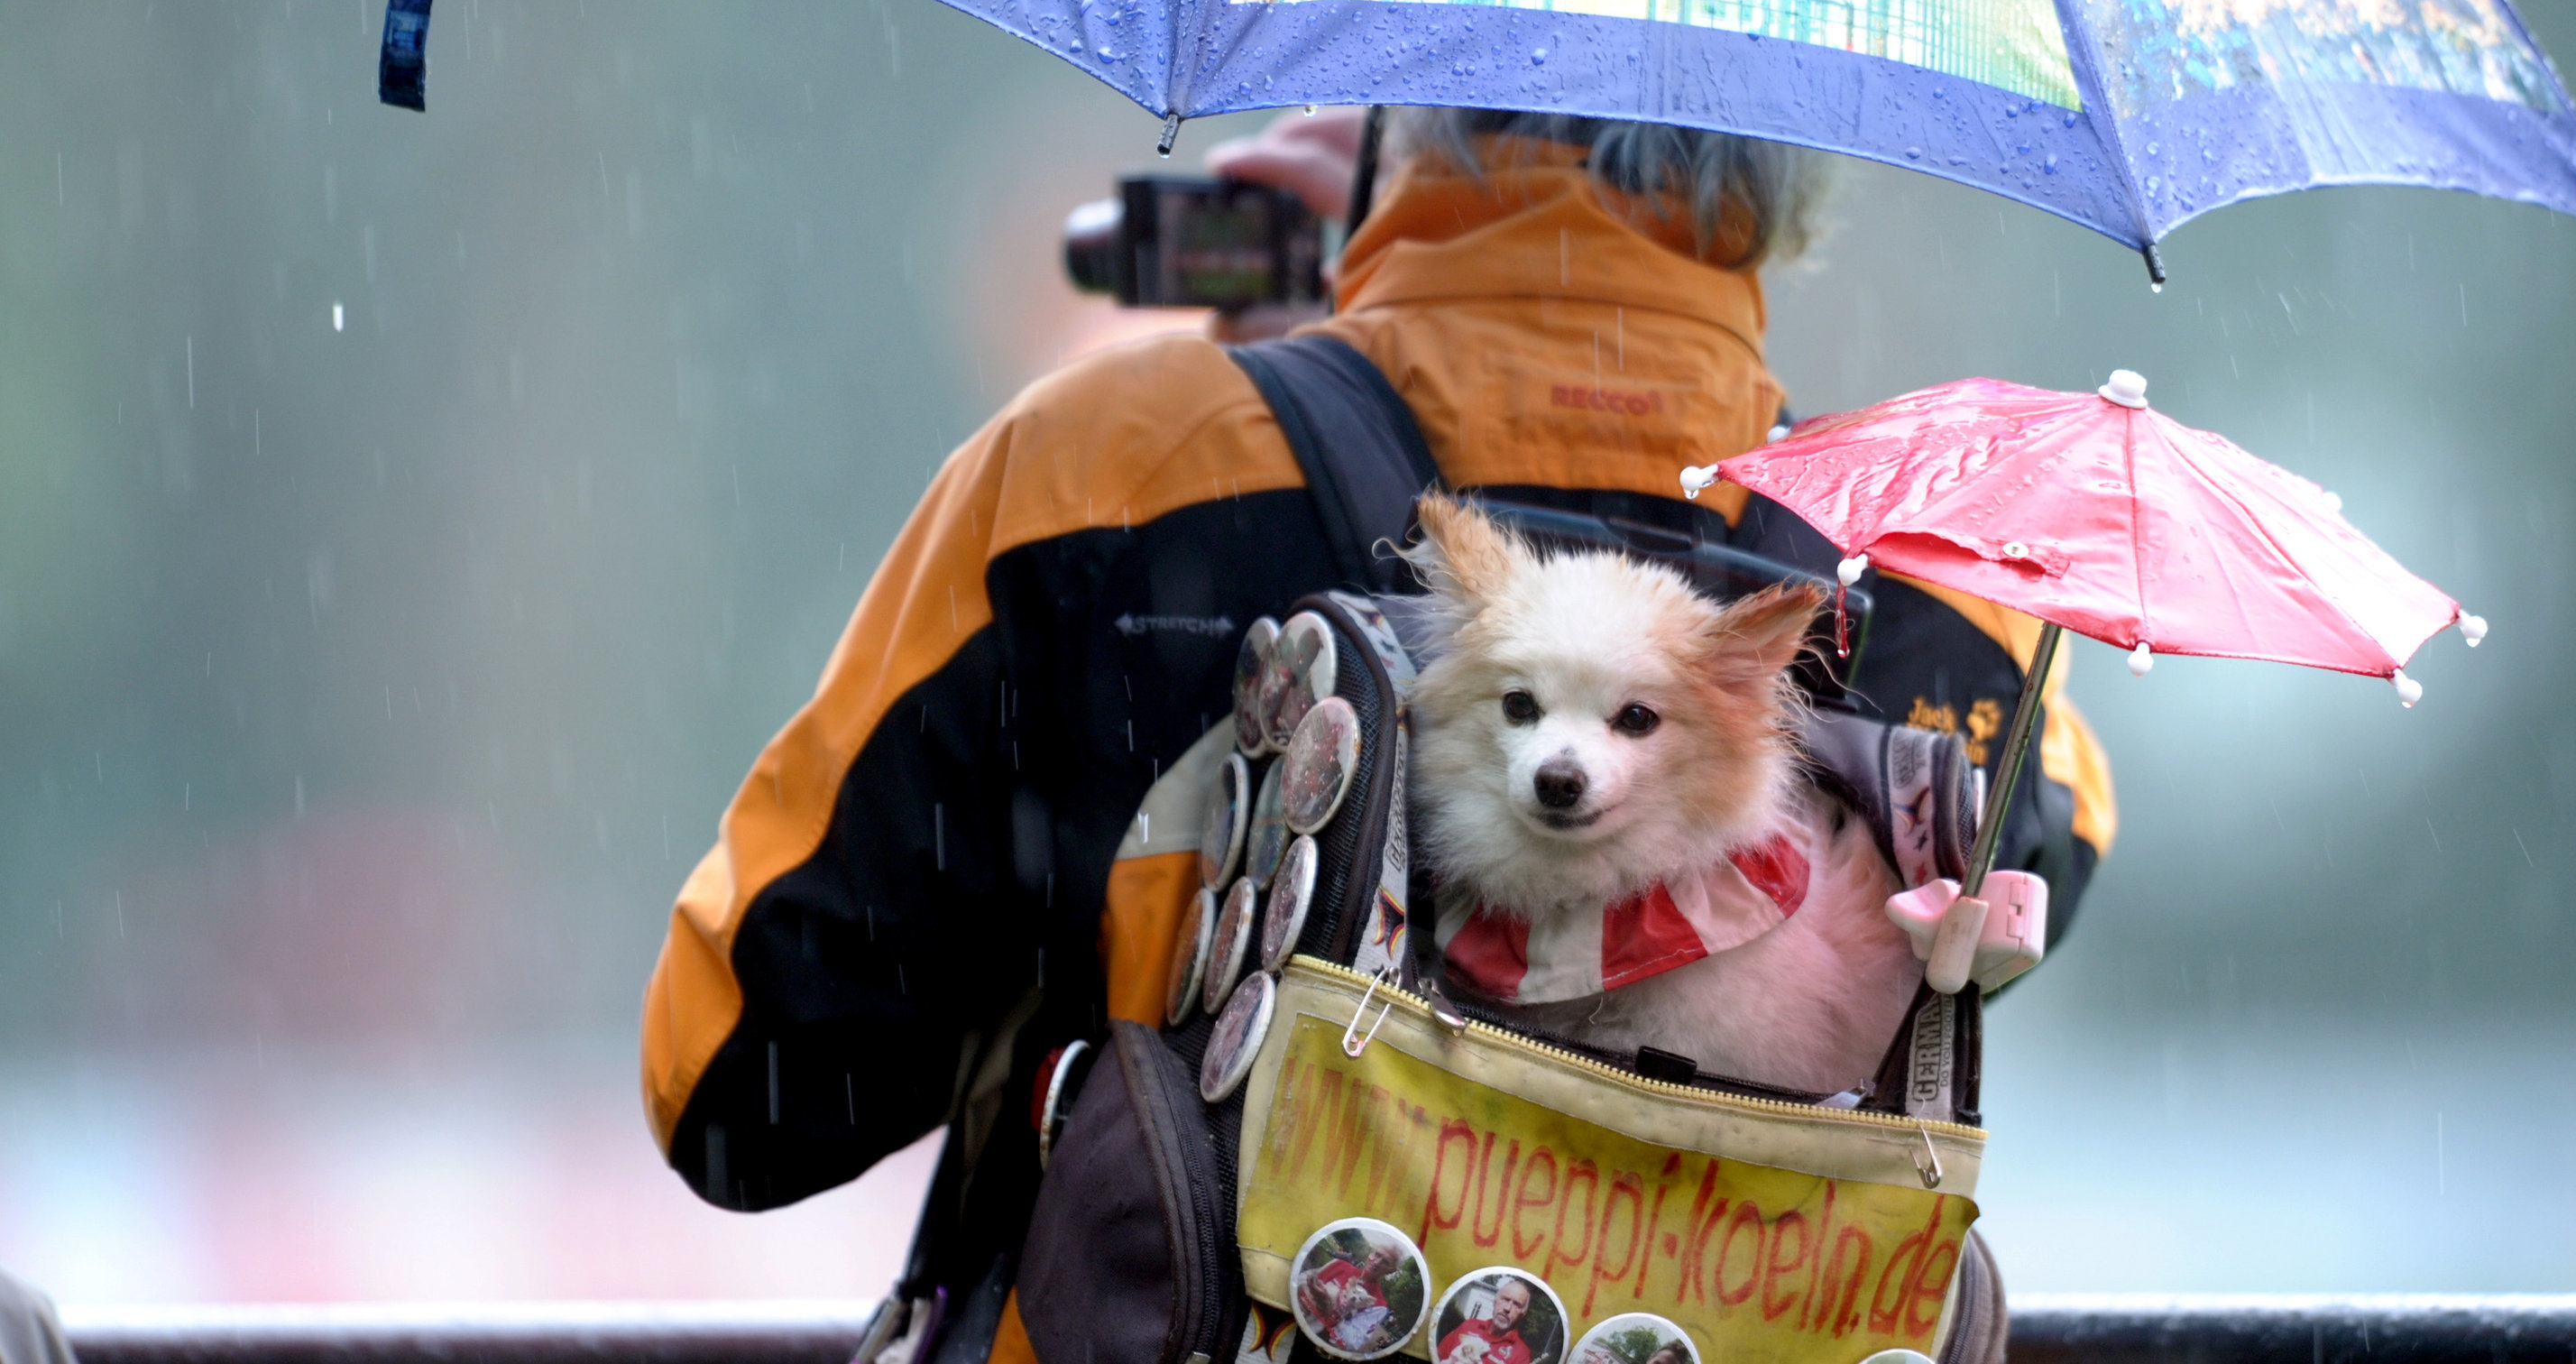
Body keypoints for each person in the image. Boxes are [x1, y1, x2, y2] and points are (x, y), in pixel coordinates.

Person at [639, 106, 2116, 1364]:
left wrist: (1260, 400)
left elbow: (743, 1093)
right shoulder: (1948, 600)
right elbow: (2031, 870)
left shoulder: (1107, 476)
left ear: (1389, 108)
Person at [1437, 1276, 1540, 1364]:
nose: (1507, 1308)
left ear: (1522, 1314)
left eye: (1516, 1304)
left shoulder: (1521, 1354)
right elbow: (1437, 1356)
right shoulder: (1469, 1325)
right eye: (1505, 1299)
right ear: (1495, 1301)